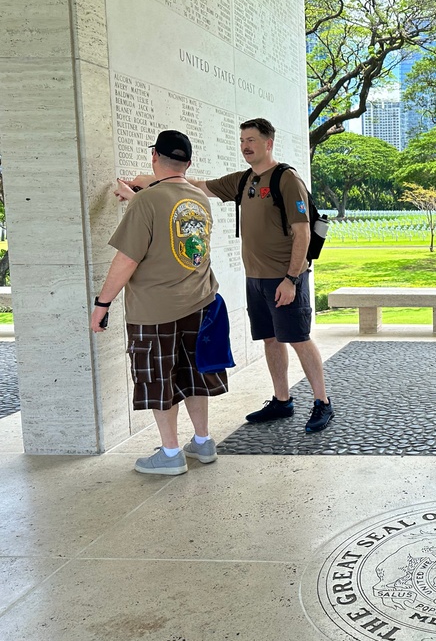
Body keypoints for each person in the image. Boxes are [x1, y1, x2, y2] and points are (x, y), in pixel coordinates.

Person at [124, 118, 334, 433]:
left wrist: (291, 280)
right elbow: (196, 186)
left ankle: (322, 403)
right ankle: (282, 400)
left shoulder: (286, 179)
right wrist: (144, 181)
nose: (246, 146)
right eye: (242, 140)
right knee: (270, 339)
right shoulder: (242, 180)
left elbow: (302, 233)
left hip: (286, 279)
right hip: (256, 280)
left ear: (268, 143)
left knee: (299, 339)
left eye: (251, 140)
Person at [91, 130, 227, 475]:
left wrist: (102, 304)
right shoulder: (199, 200)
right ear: (189, 163)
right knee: (195, 376)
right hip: (200, 303)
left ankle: (169, 454)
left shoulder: (145, 202)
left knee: (159, 381)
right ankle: (202, 442)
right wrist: (137, 192)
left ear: (154, 156)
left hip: (155, 312)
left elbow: (126, 260)